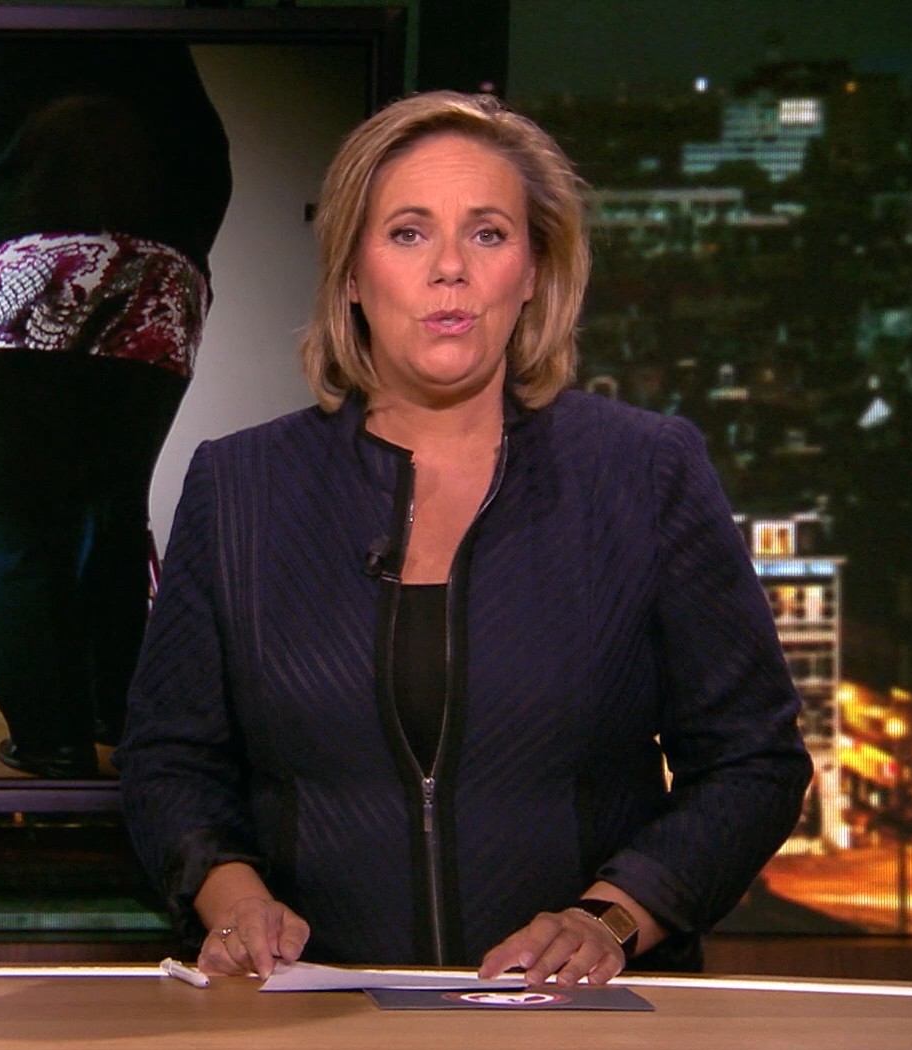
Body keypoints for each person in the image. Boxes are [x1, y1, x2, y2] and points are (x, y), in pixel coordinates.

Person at [115, 91, 811, 985]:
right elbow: (169, 761)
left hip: (578, 1022)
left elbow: (753, 761)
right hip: (317, 1016)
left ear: (533, 271)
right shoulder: (241, 487)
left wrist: (610, 919)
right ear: (352, 274)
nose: (450, 268)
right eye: (408, 233)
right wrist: (234, 899)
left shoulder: (645, 472)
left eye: (488, 233)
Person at [0, 42, 232, 779]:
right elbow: (210, 165)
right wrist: (172, 257)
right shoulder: (153, 36)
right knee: (112, 508)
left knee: (10, 520)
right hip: (152, 285)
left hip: (1, 277)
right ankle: (115, 707)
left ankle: (51, 738)